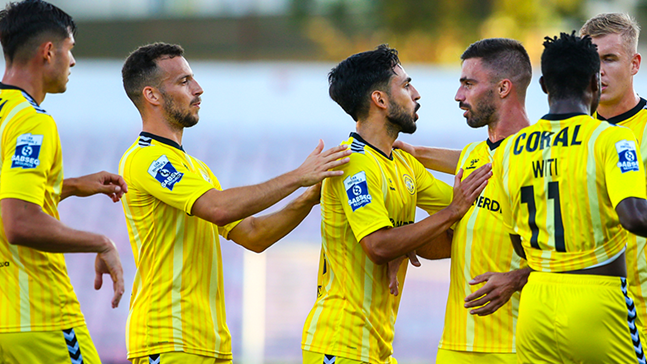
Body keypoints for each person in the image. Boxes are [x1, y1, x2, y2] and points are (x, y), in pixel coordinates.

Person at [118, 42, 351, 364]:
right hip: (168, 336)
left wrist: (308, 198)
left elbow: (254, 235)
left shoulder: (197, 169)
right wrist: (298, 176)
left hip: (209, 341)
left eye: (193, 79)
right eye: (184, 81)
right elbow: (219, 207)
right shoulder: (145, 159)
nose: (198, 89)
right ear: (152, 95)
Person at [301, 44, 492, 364]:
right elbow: (378, 245)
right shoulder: (354, 164)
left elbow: (468, 217)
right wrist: (449, 214)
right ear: (379, 99)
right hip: (339, 341)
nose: (416, 94)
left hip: (375, 346)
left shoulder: (403, 164)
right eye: (405, 85)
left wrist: (409, 240)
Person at [492, 31, 647, 363]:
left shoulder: (508, 152)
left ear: (545, 85)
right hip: (598, 300)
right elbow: (634, 215)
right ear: (596, 83)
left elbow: (517, 240)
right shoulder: (611, 138)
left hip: (535, 306)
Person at [0, 1, 128, 363]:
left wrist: (67, 186)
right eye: (70, 50)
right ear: (48, 51)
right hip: (40, 320)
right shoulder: (32, 121)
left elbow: (6, 195)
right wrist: (101, 243)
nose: (72, 62)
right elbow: (19, 222)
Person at [397, 38, 533, 363]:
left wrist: (516, 278)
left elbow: (573, 254)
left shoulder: (542, 155)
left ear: (503, 88)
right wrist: (403, 241)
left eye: (468, 84)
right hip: (455, 346)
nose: (459, 96)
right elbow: (456, 239)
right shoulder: (475, 154)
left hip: (517, 346)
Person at [580, 12, 647, 337]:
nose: (599, 72)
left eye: (610, 59)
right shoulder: (567, 131)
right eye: (592, 61)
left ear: (634, 63)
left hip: (643, 311)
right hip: (581, 311)